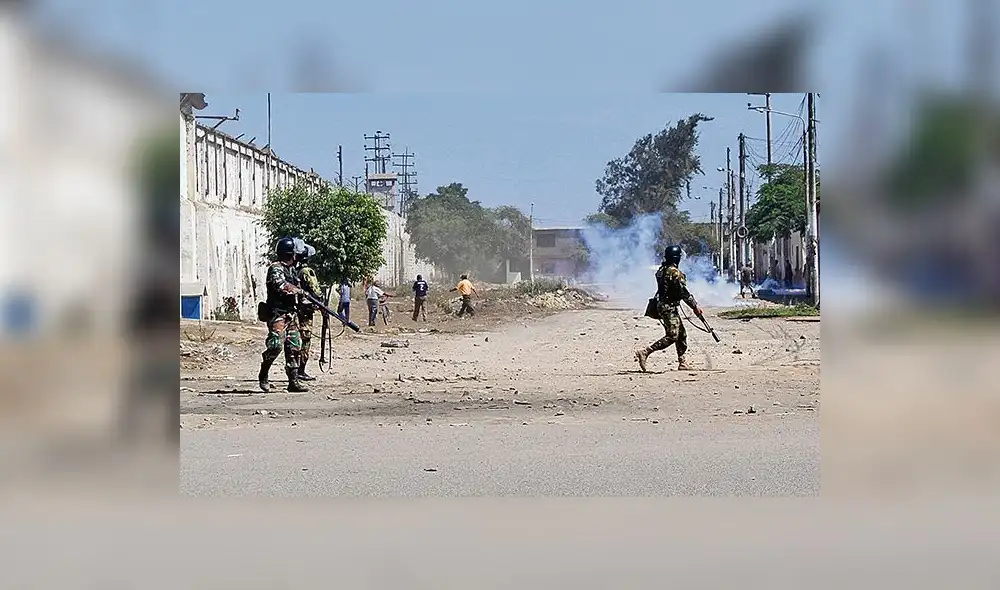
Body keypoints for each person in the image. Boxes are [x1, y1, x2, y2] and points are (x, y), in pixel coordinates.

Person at [635, 245, 703, 373]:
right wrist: (695, 307)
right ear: (677, 258)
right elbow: (683, 292)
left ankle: (682, 362)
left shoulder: (662, 270)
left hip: (664, 305)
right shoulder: (674, 272)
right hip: (668, 307)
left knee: (681, 334)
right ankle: (645, 352)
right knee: (672, 335)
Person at [258, 236, 309, 393]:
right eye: (294, 253)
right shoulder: (276, 268)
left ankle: (293, 381)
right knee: (275, 346)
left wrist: (309, 301)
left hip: (291, 314)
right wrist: (298, 291)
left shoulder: (292, 270)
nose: (296, 255)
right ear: (289, 254)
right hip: (277, 314)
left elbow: (298, 289)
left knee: (294, 347)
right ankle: (264, 373)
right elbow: (281, 286)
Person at [294, 242, 321, 382]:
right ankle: (300, 370)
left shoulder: (294, 270)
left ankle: (295, 370)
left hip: (296, 310)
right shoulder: (307, 271)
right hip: (305, 311)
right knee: (306, 340)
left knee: (295, 339)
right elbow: (316, 291)